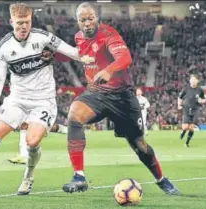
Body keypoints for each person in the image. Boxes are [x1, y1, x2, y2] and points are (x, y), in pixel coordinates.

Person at [61, 2, 179, 195]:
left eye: (90, 18)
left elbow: (125, 58)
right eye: (82, 20)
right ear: (77, 22)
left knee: (139, 146)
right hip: (96, 93)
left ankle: (161, 179)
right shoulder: (78, 38)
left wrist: (109, 70)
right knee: (74, 115)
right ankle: (79, 176)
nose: (87, 23)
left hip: (122, 97)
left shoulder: (109, 35)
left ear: (97, 17)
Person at [0, 2, 79, 197]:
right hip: (16, 99)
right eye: (19, 23)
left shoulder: (43, 38)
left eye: (27, 22)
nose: (23, 26)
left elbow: (73, 52)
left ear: (31, 20)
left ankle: (28, 177)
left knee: (32, 142)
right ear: (11, 22)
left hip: (43, 100)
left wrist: (91, 53)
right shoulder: (4, 47)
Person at [178, 73, 206, 147]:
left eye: (194, 80)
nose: (192, 81)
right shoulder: (186, 88)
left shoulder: (200, 90)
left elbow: (203, 99)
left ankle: (187, 143)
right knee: (185, 127)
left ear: (197, 81)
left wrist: (202, 101)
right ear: (190, 81)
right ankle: (183, 131)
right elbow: (180, 97)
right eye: (191, 79)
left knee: (191, 128)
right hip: (186, 109)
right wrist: (179, 105)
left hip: (195, 110)